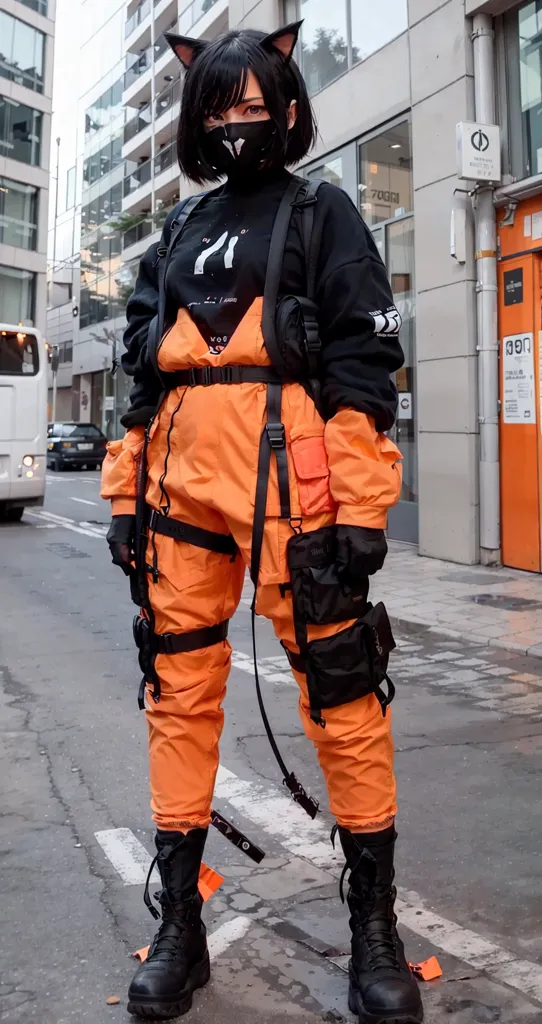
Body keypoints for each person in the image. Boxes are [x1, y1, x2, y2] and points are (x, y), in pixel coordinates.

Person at [101, 20, 423, 1024]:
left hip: (304, 507)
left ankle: (374, 925)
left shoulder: (326, 215)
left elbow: (364, 372)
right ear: (197, 121)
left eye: (255, 105)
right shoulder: (178, 233)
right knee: (177, 696)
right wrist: (124, 495)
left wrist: (361, 506)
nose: (237, 123)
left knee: (342, 697)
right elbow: (139, 380)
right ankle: (181, 930)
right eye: (219, 108)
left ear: (286, 111)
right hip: (181, 505)